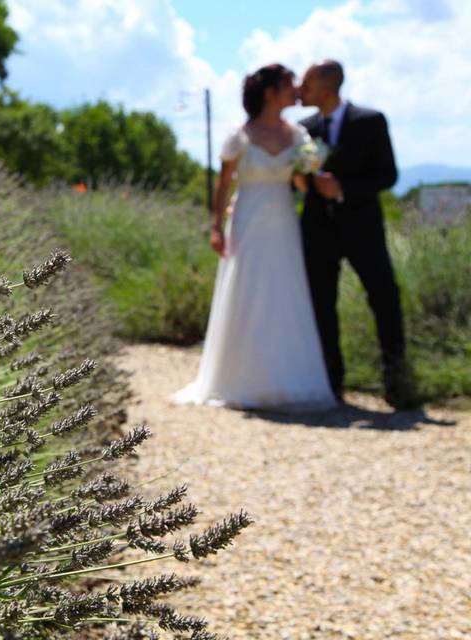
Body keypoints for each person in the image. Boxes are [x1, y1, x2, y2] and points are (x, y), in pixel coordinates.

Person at [174, 64, 336, 411]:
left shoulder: (297, 136)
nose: (295, 89)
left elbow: (301, 183)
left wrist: (312, 173)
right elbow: (223, 183)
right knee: (248, 290)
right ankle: (241, 378)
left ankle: (287, 380)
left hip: (283, 220)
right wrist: (215, 226)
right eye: (289, 84)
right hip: (247, 217)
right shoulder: (240, 134)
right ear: (269, 92)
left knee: (285, 292)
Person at [298, 60, 418, 409]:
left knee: (385, 300)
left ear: (325, 86)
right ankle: (331, 385)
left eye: (306, 83)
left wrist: (343, 188)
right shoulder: (303, 129)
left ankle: (396, 382)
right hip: (318, 231)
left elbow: (388, 175)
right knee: (321, 306)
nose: (301, 91)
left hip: (363, 229)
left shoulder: (370, 121)